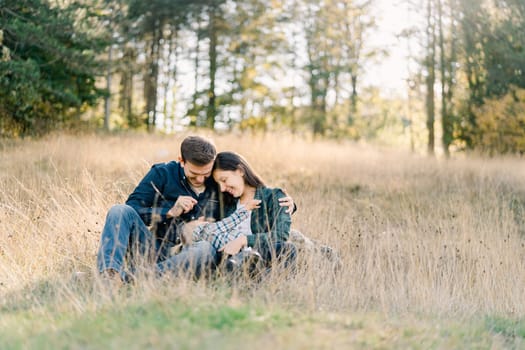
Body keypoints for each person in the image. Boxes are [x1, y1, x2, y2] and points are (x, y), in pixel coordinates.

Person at [96, 135, 294, 282]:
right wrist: (168, 211)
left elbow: (248, 195)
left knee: (205, 249)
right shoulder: (162, 174)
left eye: (206, 174)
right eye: (194, 174)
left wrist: (285, 203)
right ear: (181, 161)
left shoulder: (218, 184)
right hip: (155, 247)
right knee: (119, 210)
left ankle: (128, 279)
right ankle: (109, 276)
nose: (200, 179)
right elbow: (133, 210)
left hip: (195, 253)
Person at [157, 151, 297, 276]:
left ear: (240, 171)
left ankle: (248, 270)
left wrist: (243, 240)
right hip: (221, 254)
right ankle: (153, 273)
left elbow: (281, 235)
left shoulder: (273, 196)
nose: (223, 188)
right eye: (220, 184)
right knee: (205, 250)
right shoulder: (225, 203)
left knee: (288, 249)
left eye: (224, 180)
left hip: (257, 251)